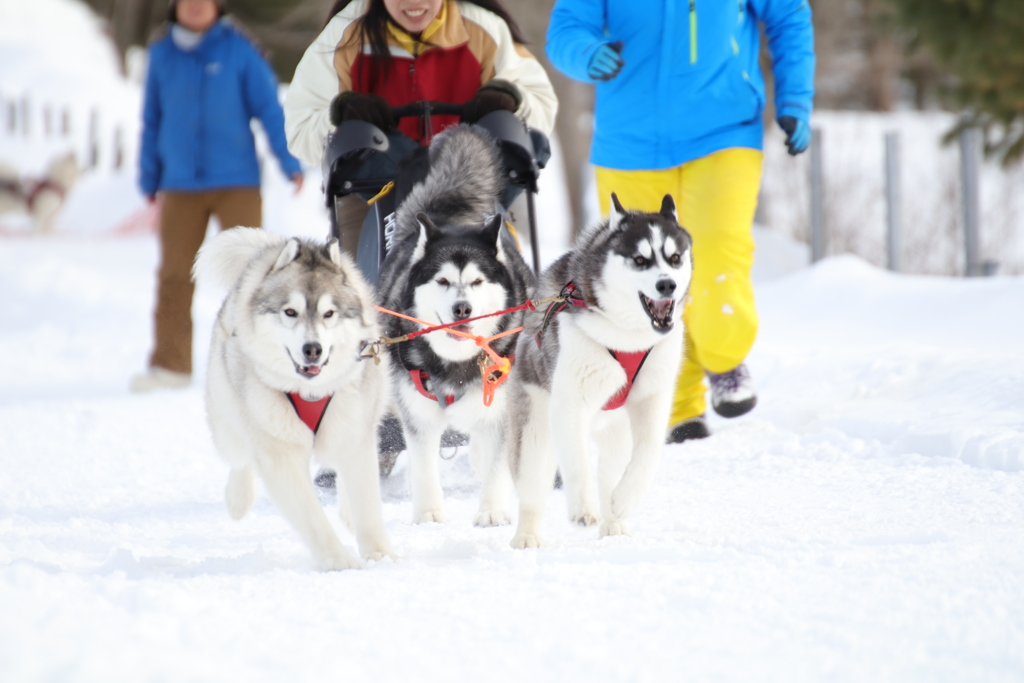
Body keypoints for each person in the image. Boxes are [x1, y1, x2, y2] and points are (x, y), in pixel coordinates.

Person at [546, 0, 815, 442]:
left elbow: (788, 17)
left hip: (725, 129)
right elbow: (567, 28)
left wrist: (796, 97)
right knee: (641, 274)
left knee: (716, 247)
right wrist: (584, 52)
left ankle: (725, 359)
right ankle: (676, 403)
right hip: (629, 140)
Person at [284, 0, 558, 254]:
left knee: (492, 282)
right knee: (364, 289)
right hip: (370, 191)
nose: (414, 3)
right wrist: (342, 115)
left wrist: (508, 101)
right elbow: (301, 128)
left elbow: (540, 109)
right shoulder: (344, 35)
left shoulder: (485, 30)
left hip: (469, 183)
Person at [132, 0, 304, 392]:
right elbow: (152, 119)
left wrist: (289, 161)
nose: (195, 6)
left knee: (250, 275)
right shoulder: (161, 55)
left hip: (236, 182)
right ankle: (170, 367)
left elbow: (268, 109)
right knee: (175, 275)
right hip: (179, 185)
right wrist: (148, 175)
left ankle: (254, 364)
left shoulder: (239, 49)